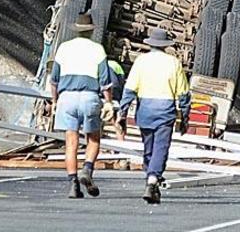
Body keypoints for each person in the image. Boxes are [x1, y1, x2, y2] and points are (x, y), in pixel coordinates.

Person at [118, 27, 191, 205]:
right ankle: (152, 180)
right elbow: (183, 93)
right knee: (161, 148)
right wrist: (185, 116)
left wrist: (122, 111)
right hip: (165, 109)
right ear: (166, 45)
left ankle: (151, 177)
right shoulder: (173, 63)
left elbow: (130, 89)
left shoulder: (141, 61)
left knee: (149, 147)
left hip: (145, 110)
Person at [50, 13, 113, 198]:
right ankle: (87, 168)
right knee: (93, 138)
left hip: (67, 98)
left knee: (71, 143)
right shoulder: (98, 49)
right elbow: (105, 81)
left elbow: (54, 80)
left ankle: (73, 184)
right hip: (89, 97)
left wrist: (54, 101)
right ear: (91, 30)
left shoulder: (63, 48)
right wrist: (108, 102)